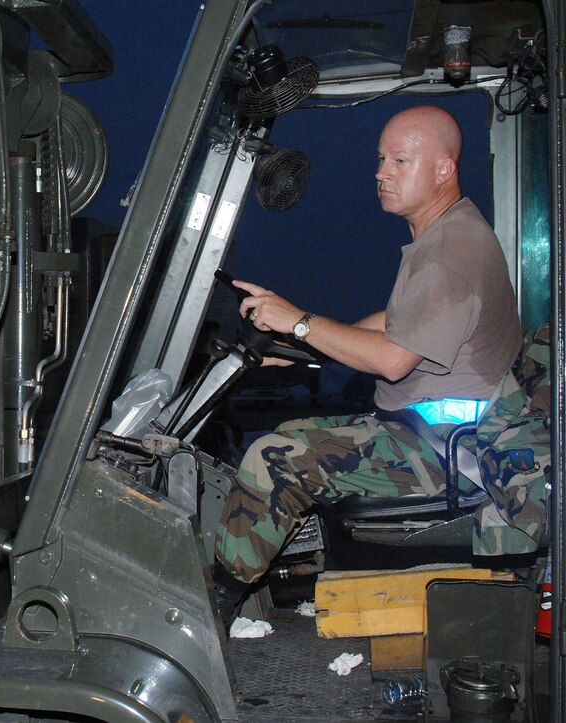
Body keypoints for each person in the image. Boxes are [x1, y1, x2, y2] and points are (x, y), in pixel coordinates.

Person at [210, 105, 522, 628]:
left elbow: (394, 361)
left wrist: (300, 322)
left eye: (400, 161)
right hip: (431, 435)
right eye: (382, 159)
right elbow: (390, 323)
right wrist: (298, 344)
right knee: (291, 434)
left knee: (273, 458)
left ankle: (214, 607)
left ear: (443, 170)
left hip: (445, 454)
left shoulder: (450, 251)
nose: (381, 173)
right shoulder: (447, 234)